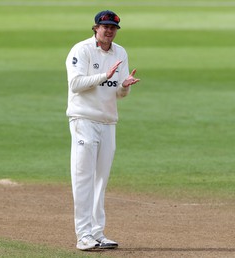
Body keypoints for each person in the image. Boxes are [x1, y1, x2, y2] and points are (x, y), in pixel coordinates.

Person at [65, 10, 140, 251]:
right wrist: (103, 76)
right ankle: (83, 235)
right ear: (95, 28)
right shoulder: (82, 50)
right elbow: (75, 84)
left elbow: (118, 92)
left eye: (112, 27)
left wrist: (125, 86)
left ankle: (97, 233)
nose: (109, 30)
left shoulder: (120, 52)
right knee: (83, 178)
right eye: (104, 26)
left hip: (108, 122)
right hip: (84, 119)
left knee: (101, 180)